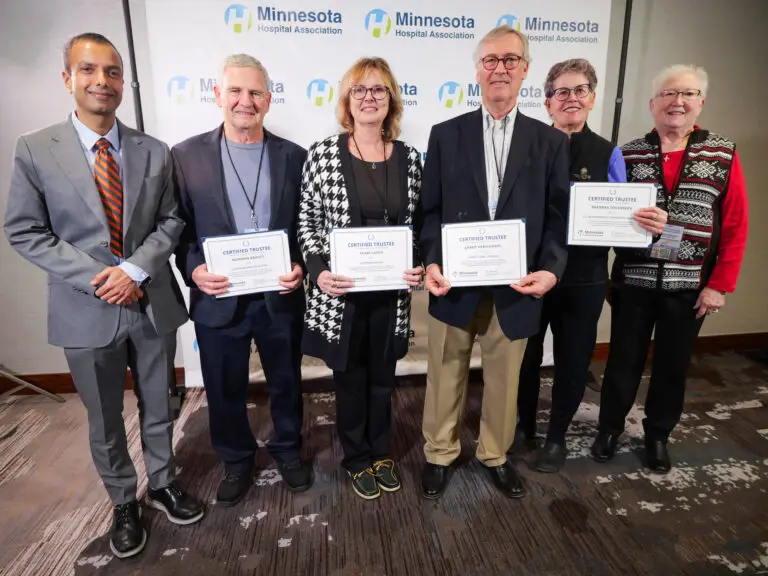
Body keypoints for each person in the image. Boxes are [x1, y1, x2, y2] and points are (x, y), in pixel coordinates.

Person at [4, 33, 203, 559]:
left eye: (112, 72)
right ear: (67, 79)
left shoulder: (153, 150)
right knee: (105, 417)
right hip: (85, 308)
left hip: (151, 302)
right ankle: (123, 501)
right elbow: (25, 231)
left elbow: (171, 220)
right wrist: (102, 276)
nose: (102, 81)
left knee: (159, 403)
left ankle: (163, 483)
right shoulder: (35, 149)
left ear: (122, 82)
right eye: (88, 70)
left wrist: (134, 269)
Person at [418, 25, 569, 500]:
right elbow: (430, 211)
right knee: (445, 371)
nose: (499, 69)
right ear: (478, 70)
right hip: (454, 282)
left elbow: (558, 216)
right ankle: (439, 453)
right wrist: (432, 262)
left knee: (505, 380)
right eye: (490, 60)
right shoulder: (446, 135)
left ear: (525, 70)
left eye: (510, 60)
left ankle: (494, 455)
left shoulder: (550, 142)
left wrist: (551, 269)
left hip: (517, 285)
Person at [591, 65, 749, 473]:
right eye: (668, 94)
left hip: (691, 285)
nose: (677, 101)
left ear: (701, 103)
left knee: (672, 365)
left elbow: (735, 224)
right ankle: (609, 428)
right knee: (622, 360)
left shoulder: (723, 153)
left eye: (687, 94)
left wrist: (719, 285)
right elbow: (608, 215)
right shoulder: (628, 153)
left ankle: (658, 435)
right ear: (653, 104)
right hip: (634, 281)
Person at [514, 59, 668, 473]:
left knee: (574, 360)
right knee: (525, 357)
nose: (571, 99)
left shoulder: (608, 153)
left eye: (580, 90)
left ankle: (556, 438)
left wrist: (645, 226)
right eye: (561, 92)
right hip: (530, 273)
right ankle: (523, 426)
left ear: (593, 98)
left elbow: (623, 217)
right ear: (547, 101)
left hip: (584, 277)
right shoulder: (527, 145)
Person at [172, 54, 311, 506]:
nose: (244, 101)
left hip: (278, 295)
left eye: (255, 93)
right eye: (235, 91)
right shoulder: (185, 156)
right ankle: (236, 460)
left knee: (286, 380)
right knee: (222, 385)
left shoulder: (295, 157)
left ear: (268, 100)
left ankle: (288, 450)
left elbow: (306, 226)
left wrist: (302, 265)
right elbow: (178, 229)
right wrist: (194, 269)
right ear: (218, 95)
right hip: (219, 297)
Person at [298, 57, 423, 500]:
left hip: (390, 296)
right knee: (349, 381)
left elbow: (419, 225)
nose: (369, 97)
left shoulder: (410, 159)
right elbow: (308, 222)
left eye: (379, 89)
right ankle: (355, 457)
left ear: (391, 100)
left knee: (383, 380)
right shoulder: (322, 154)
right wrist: (319, 272)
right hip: (343, 296)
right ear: (348, 101)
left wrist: (419, 262)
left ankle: (380, 451)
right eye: (360, 89)